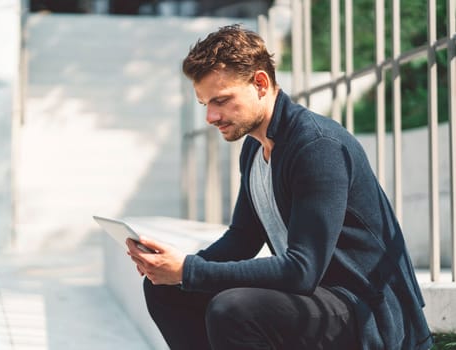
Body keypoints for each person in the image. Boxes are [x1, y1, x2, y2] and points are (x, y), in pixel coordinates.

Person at [126, 24, 433, 350]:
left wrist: (190, 270)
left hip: (366, 311)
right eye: (205, 105)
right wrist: (174, 268)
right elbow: (241, 240)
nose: (211, 117)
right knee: (166, 291)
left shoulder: (316, 146)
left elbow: (302, 269)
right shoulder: (255, 149)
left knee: (233, 309)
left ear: (260, 83)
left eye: (221, 100)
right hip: (319, 298)